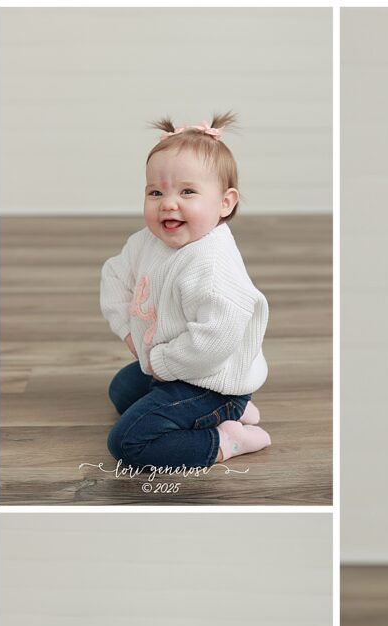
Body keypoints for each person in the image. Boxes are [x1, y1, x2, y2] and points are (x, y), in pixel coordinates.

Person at [100, 112, 271, 469]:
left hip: (210, 380)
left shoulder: (211, 264)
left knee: (128, 442)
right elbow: (115, 276)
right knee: (121, 390)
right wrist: (127, 332)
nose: (168, 203)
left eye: (187, 192)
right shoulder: (147, 241)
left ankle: (224, 436)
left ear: (226, 202)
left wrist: (160, 362)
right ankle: (217, 414)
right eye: (156, 192)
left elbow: (215, 338)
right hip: (175, 367)